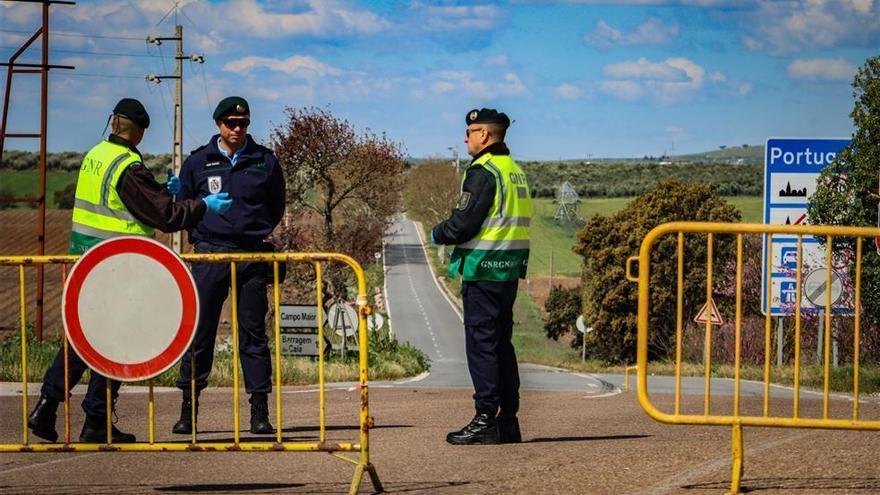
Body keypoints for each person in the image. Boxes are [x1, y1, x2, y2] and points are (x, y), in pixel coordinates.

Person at [27, 98, 233, 444]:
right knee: (113, 342)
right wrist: (202, 206)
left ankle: (73, 411)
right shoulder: (127, 165)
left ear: (113, 124)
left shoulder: (96, 154)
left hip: (86, 261)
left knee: (91, 339)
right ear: (137, 131)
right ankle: (76, 411)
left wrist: (159, 191)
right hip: (117, 266)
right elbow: (165, 216)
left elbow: (125, 199)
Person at [172, 96, 286, 435]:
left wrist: (254, 231)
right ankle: (188, 411)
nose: (238, 129)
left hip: (251, 255)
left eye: (244, 123)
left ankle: (260, 412)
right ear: (219, 124)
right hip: (210, 254)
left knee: (254, 334)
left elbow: (275, 205)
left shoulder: (265, 160)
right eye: (231, 124)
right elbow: (185, 205)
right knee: (200, 332)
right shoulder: (197, 162)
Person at [431, 108, 531, 445]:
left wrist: (436, 233)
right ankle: (508, 420)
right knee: (502, 344)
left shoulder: (483, 171)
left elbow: (463, 224)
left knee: (482, 346)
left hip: (484, 269)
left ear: (485, 135)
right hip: (508, 270)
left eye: (471, 131)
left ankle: (485, 417)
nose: (465, 138)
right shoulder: (514, 171)